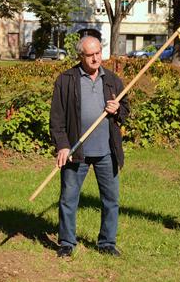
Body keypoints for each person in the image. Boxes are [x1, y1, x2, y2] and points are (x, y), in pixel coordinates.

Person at [49, 35, 129, 258]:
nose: (95, 59)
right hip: (77, 151)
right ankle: (66, 242)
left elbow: (126, 111)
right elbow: (56, 119)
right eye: (90, 55)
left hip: (107, 151)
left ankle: (107, 243)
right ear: (80, 56)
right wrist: (62, 146)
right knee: (68, 198)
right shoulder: (66, 80)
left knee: (111, 200)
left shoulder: (112, 80)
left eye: (98, 53)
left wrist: (117, 110)